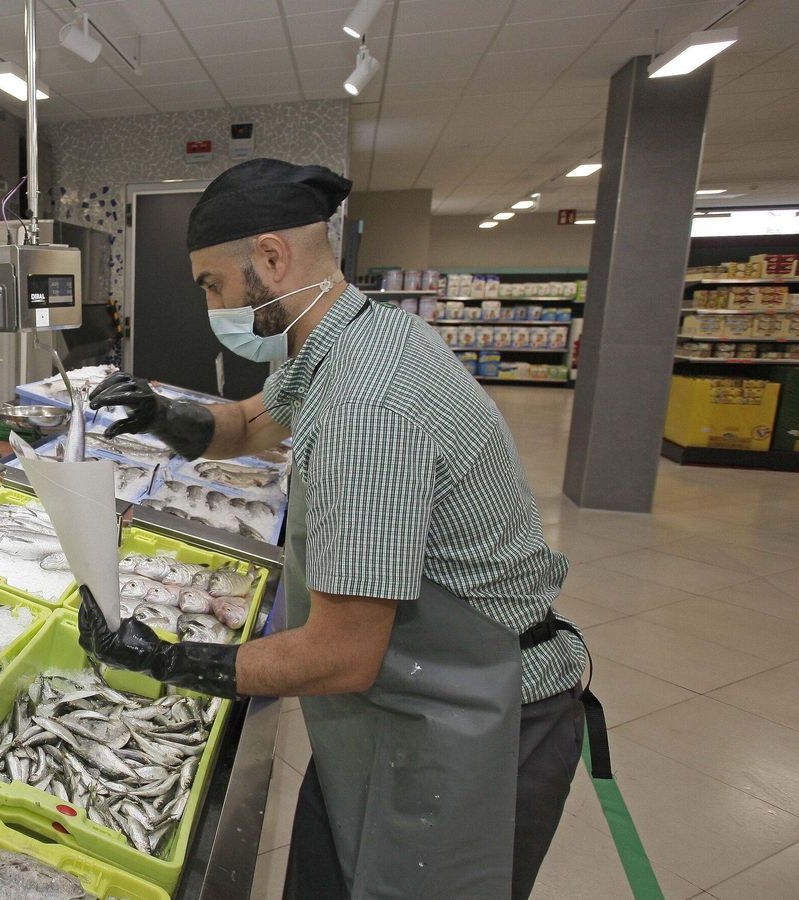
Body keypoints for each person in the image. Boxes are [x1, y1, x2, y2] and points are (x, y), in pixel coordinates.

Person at [79, 158, 592, 900]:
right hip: (415, 695)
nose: (212, 308)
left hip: (482, 722)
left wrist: (169, 661)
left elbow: (343, 655)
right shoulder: (349, 338)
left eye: (213, 286)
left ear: (272, 257)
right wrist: (161, 415)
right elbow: (250, 425)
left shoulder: (365, 406)